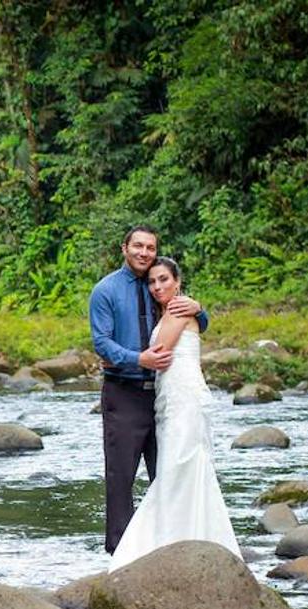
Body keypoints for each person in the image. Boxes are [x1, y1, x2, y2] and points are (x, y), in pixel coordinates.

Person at [108, 257, 240, 570]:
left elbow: (161, 352)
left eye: (164, 280)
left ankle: (177, 542)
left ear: (177, 281)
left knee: (181, 467)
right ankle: (181, 540)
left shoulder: (181, 308)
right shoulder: (172, 310)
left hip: (185, 399)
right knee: (175, 467)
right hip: (168, 400)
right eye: (152, 282)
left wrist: (120, 359)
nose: (157, 287)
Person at [89, 226, 207, 555]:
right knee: (120, 476)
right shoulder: (106, 290)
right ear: (124, 248)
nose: (144, 253)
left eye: (150, 247)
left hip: (162, 395)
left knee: (166, 470)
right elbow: (101, 342)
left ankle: (167, 545)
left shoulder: (160, 284)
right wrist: (137, 358)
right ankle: (120, 552)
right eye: (138, 246)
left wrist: (199, 310)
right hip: (124, 393)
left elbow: (195, 325)